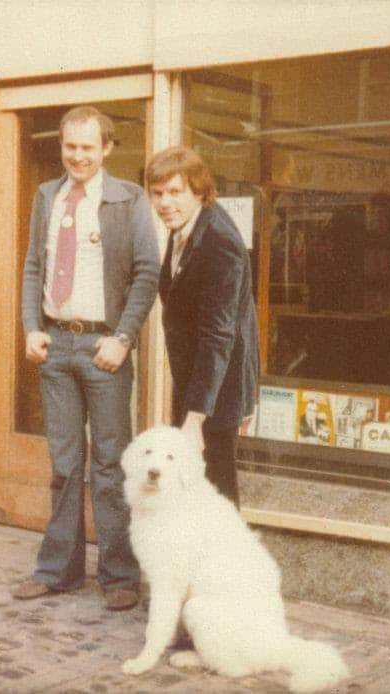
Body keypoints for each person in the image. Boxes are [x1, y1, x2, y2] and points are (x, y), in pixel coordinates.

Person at [11, 106, 160, 610]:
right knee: (64, 464)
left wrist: (123, 337)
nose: (78, 156)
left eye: (88, 148)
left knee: (112, 465)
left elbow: (146, 272)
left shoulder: (129, 198)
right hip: (56, 346)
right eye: (70, 147)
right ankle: (59, 570)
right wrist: (32, 327)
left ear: (107, 149)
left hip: (103, 350)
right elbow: (34, 265)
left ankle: (119, 577)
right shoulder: (47, 196)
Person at [145, 146, 259, 507]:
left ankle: (230, 565)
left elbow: (218, 337)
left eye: (175, 192)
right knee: (196, 493)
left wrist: (195, 419)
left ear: (199, 190)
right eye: (158, 193)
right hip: (198, 385)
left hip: (215, 393)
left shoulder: (219, 241)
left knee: (217, 495)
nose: (165, 202)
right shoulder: (187, 226)